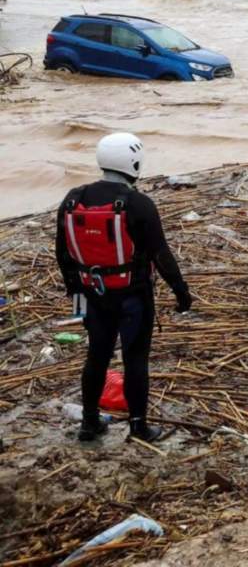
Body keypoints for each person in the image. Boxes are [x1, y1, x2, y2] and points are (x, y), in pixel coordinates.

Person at [55, 133, 191, 443]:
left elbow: (63, 254)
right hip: (133, 297)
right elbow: (162, 255)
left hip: (92, 294)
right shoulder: (139, 204)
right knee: (135, 360)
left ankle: (89, 423)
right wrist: (182, 294)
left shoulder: (72, 198)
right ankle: (139, 426)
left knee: (96, 356)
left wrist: (76, 293)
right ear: (135, 162)